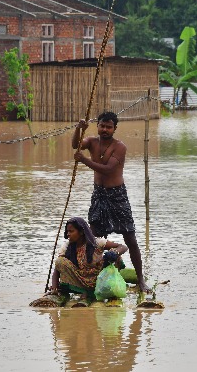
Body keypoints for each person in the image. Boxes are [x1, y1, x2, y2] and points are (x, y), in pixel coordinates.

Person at [72, 111, 152, 293]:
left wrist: (84, 160)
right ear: (98, 126)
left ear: (115, 128)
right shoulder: (91, 141)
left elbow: (108, 170)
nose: (105, 129)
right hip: (99, 195)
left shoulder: (120, 147)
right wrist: (79, 129)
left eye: (109, 127)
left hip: (117, 196)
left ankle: (140, 280)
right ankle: (89, 278)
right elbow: (75, 144)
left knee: (130, 238)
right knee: (92, 238)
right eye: (102, 126)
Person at [47, 217, 128, 305]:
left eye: (71, 231)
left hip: (99, 279)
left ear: (81, 232)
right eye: (67, 232)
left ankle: (95, 292)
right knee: (60, 261)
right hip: (80, 280)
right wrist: (54, 288)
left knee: (115, 256)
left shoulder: (97, 242)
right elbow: (57, 269)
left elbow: (123, 247)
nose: (68, 234)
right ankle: (86, 292)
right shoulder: (67, 246)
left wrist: (115, 253)